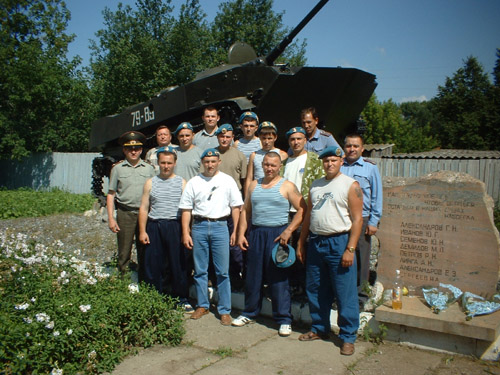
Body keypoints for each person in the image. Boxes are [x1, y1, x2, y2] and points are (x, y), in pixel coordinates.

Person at [296, 146, 363, 356]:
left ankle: (348, 336)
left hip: (339, 242)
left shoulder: (350, 185)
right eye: (326, 161)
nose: (330, 164)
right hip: (316, 243)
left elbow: (357, 219)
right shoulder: (316, 185)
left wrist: (350, 249)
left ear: (341, 161)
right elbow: (308, 216)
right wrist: (301, 241)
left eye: (333, 160)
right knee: (316, 288)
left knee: (344, 292)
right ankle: (319, 328)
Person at [232, 152, 305, 336]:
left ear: (279, 166)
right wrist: (241, 234)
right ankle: (249, 312)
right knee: (253, 276)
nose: (269, 168)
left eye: (273, 165)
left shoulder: (287, 186)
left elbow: (303, 208)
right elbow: (245, 212)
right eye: (266, 165)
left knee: (279, 278)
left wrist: (289, 230)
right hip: (256, 233)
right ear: (262, 165)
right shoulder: (254, 185)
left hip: (277, 234)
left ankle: (284, 319)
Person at [179, 148, 243, 325]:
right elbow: (186, 209)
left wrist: (235, 231)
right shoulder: (194, 182)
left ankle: (224, 310)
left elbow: (236, 207)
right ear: (202, 162)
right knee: (200, 270)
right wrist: (186, 232)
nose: (210, 165)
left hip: (220, 226)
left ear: (219, 162)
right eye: (207, 161)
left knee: (222, 271)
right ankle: (202, 305)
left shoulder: (227, 180)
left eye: (213, 161)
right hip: (199, 226)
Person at [137, 146, 193, 312]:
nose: (166, 166)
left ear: (175, 163)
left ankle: (181, 298)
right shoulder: (150, 183)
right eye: (163, 163)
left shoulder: (182, 183)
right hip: (155, 226)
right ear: (158, 164)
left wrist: (186, 232)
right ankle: (155, 297)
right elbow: (144, 208)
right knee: (154, 263)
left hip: (175, 226)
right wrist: (142, 231)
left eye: (169, 163)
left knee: (178, 264)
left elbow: (186, 210)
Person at [280, 126, 325, 295]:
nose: (296, 142)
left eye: (299, 139)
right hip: (286, 213)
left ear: (305, 140)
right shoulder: (284, 163)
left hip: (306, 213)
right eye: (292, 139)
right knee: (286, 251)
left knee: (303, 251)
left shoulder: (314, 160)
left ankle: (305, 290)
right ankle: (289, 288)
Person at [340, 133, 383, 310]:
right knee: (342, 257)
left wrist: (374, 221)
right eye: (349, 146)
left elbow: (376, 196)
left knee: (361, 258)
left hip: (363, 219)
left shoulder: (370, 168)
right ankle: (343, 293)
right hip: (341, 218)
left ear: (362, 148)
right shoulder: (338, 166)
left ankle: (361, 295)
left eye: (355, 146)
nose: (352, 149)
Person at [107, 131, 155, 280]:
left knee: (145, 248)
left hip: (145, 213)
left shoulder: (149, 169)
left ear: (141, 150)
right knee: (124, 249)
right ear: (124, 150)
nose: (133, 152)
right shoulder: (117, 169)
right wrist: (111, 218)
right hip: (125, 213)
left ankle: (144, 280)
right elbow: (111, 194)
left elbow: (155, 193)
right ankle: (125, 281)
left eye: (136, 149)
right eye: (129, 149)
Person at [215, 124, 248, 290]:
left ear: (232, 137)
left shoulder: (240, 156)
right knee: (216, 245)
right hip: (216, 207)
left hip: (233, 206)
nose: (224, 139)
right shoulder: (211, 155)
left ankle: (236, 278)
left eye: (227, 136)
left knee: (234, 245)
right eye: (221, 136)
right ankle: (216, 278)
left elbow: (243, 182)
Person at [244, 121, 288, 196]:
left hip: (276, 192)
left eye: (270, 138)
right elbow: (249, 178)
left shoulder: (282, 155)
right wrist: (247, 197)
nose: (267, 142)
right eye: (264, 138)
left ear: (275, 138)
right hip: (258, 191)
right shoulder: (254, 155)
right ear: (260, 137)